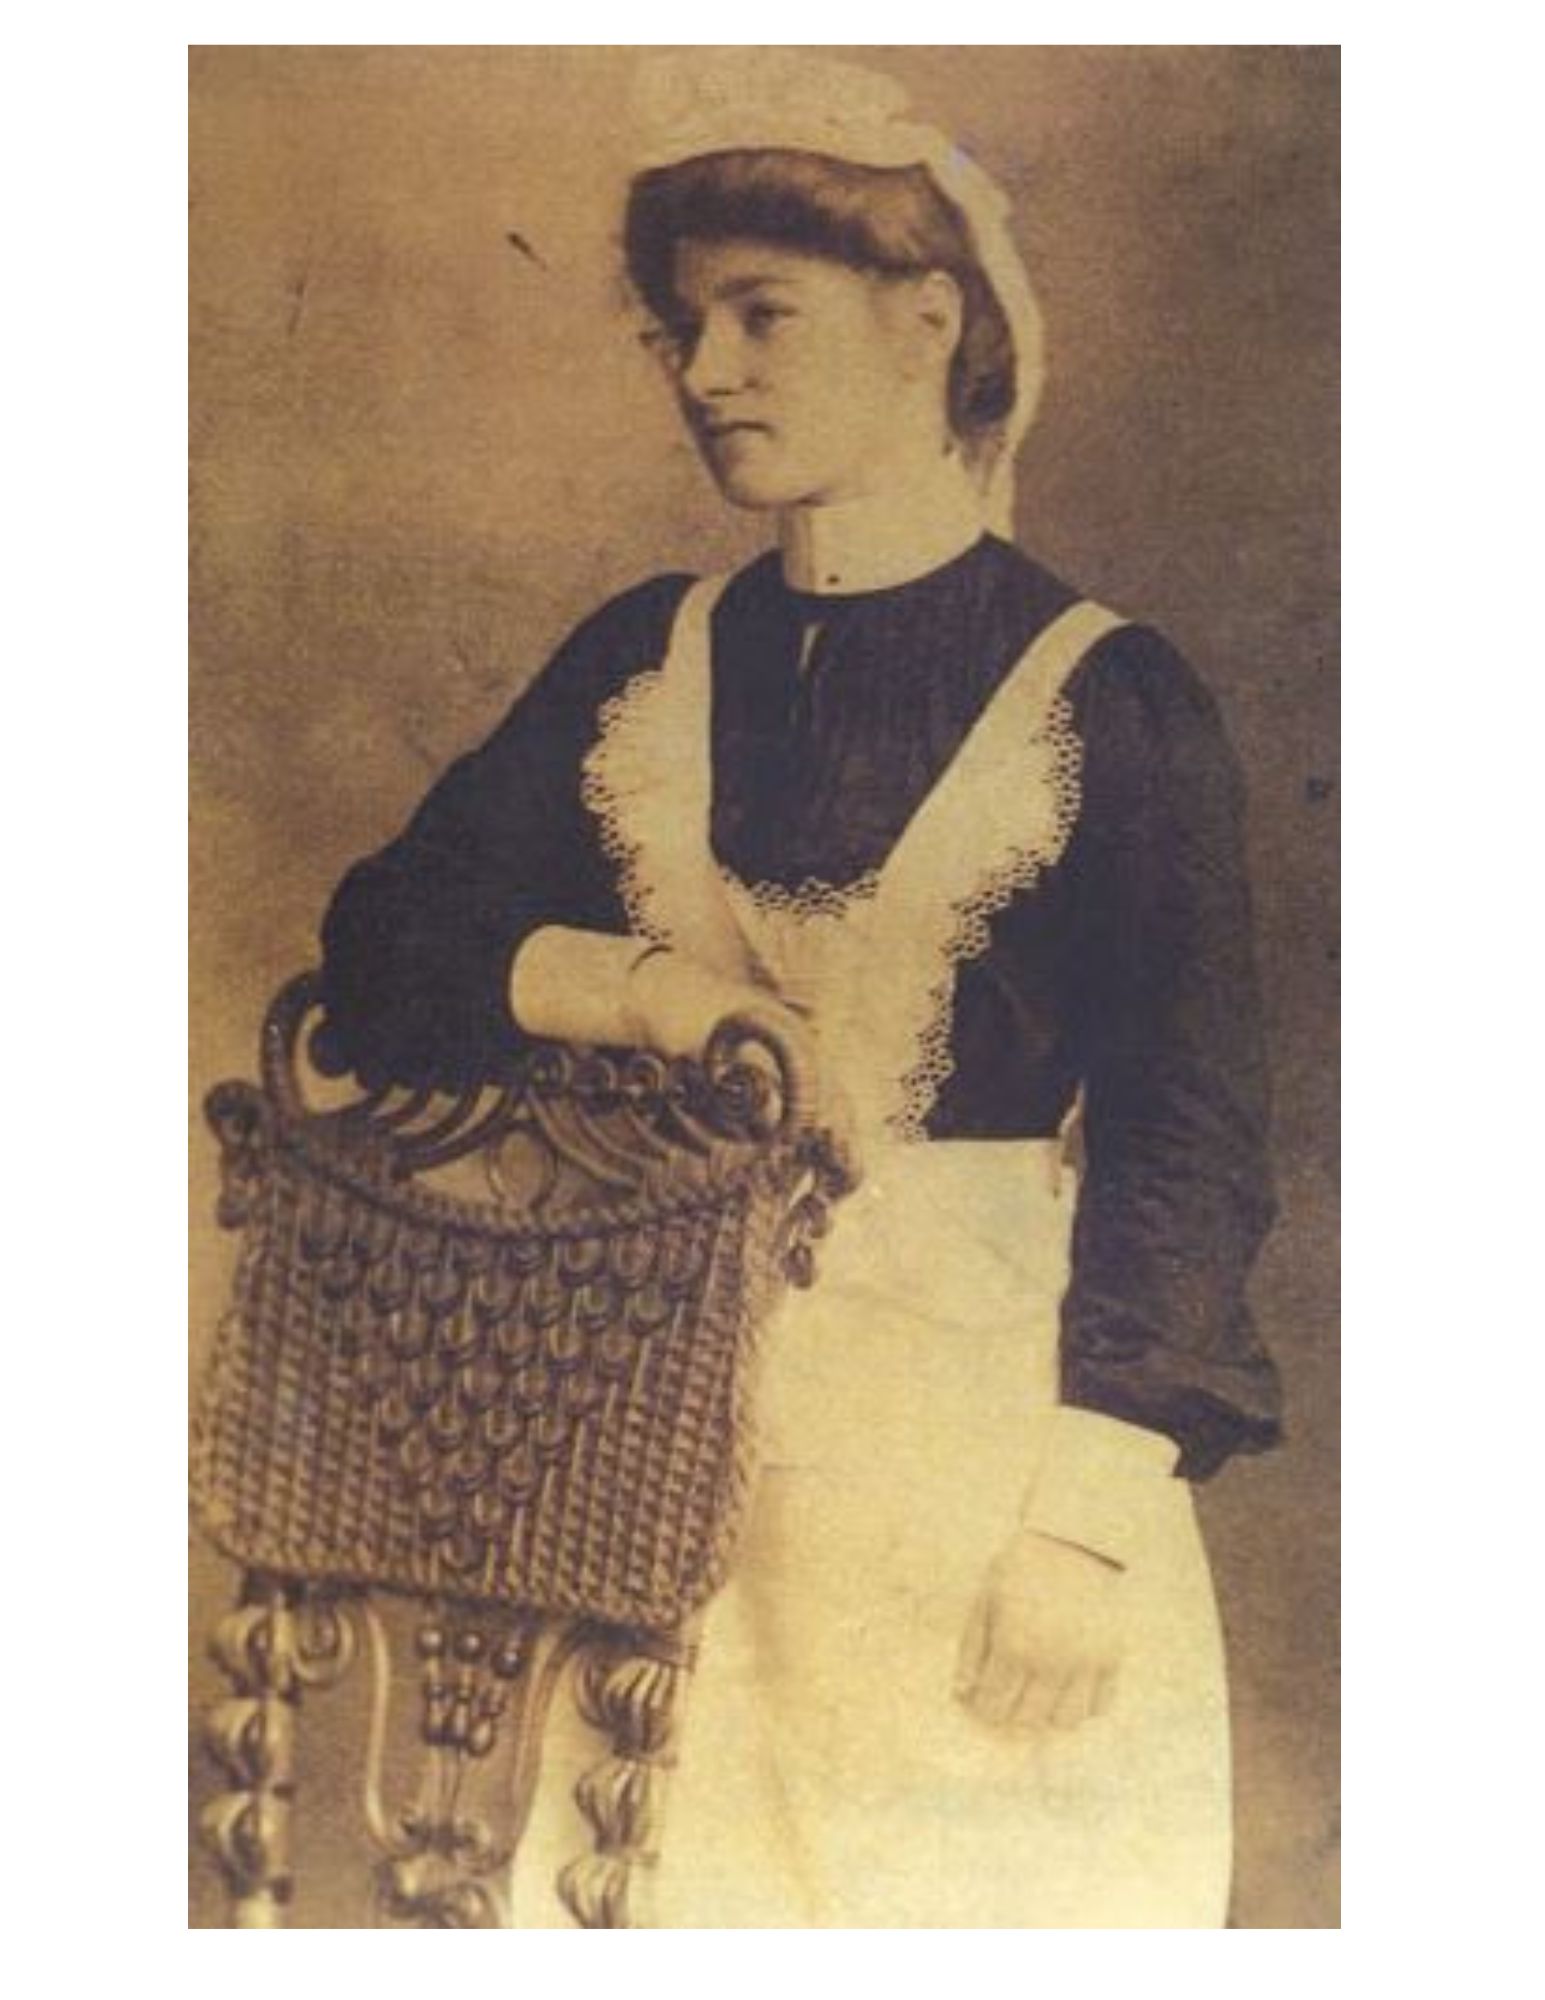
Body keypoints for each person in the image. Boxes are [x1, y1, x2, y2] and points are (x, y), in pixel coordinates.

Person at [314, 54, 1283, 1927]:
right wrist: (658, 998)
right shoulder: (648, 656)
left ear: (928, 322)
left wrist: (1086, 1524)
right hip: (659, 1465)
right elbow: (386, 952)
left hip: (982, 1460)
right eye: (686, 328)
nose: (707, 372)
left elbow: (1191, 1128)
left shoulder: (1104, 693)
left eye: (764, 316)